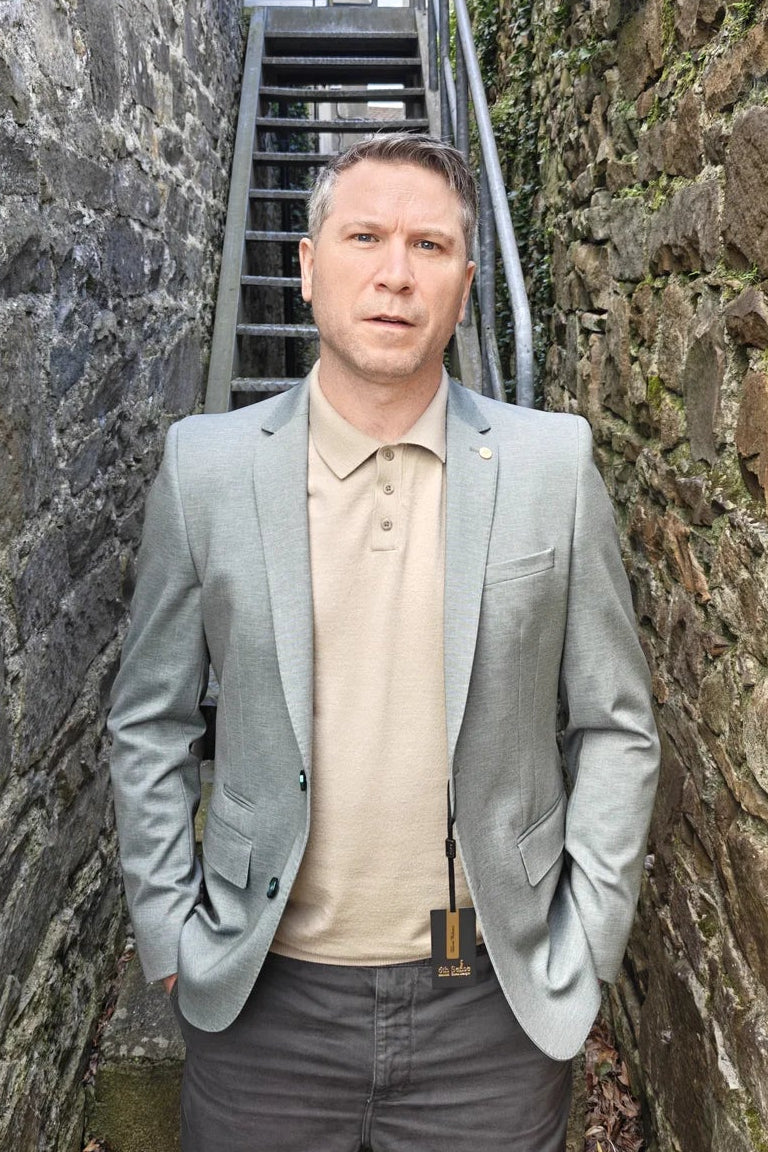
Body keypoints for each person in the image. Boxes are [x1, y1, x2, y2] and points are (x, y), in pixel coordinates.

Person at [108, 132, 659, 1152]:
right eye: (364, 237)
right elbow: (149, 720)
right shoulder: (207, 471)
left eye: (431, 246)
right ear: (309, 267)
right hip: (262, 999)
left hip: (491, 1006)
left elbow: (618, 724)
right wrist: (170, 931)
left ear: (464, 282)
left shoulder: (551, 466)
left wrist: (585, 944)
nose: (396, 273)